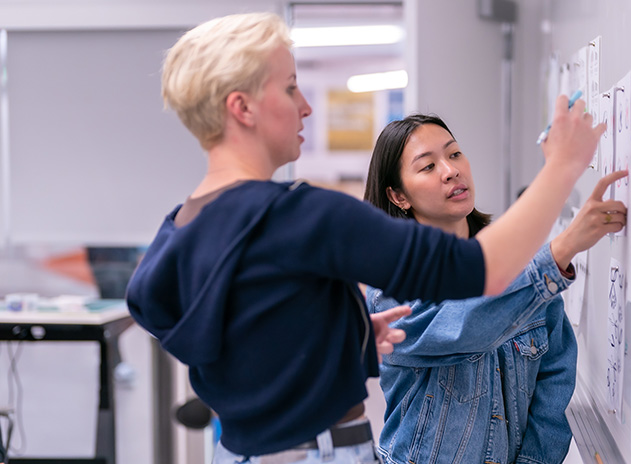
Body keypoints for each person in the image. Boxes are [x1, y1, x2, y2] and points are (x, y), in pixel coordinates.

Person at [124, 12, 604, 464]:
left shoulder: (179, 229)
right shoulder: (303, 214)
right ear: (241, 108)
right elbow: (477, 271)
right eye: (291, 88)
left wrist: (339, 336)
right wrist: (561, 168)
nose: (306, 105)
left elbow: (181, 316)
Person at [363, 114, 627, 464]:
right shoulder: (390, 288)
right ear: (398, 196)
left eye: (454, 154)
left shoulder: (519, 263)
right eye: (428, 167)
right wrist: (558, 251)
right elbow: (463, 329)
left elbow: (555, 376)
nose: (450, 170)